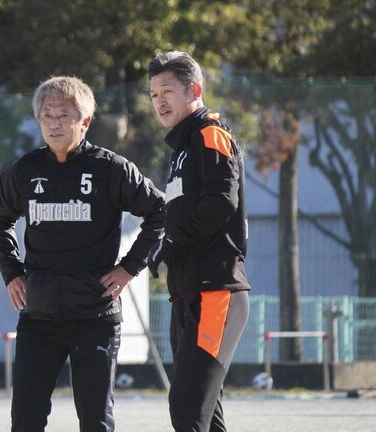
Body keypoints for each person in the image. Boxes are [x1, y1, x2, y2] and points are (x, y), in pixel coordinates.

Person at [0, 75, 166, 432]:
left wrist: (130, 267)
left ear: (85, 121)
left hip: (95, 315)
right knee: (25, 419)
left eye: (64, 115)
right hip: (39, 316)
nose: (54, 123)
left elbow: (160, 210)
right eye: (47, 115)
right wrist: (13, 273)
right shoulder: (25, 171)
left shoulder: (110, 168)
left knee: (95, 420)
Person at [146, 51, 251, 432]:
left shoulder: (210, 134)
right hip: (186, 292)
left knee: (187, 407)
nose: (159, 101)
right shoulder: (181, 149)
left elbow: (222, 201)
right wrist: (161, 243)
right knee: (204, 413)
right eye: (154, 94)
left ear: (194, 90)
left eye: (167, 91)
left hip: (215, 291)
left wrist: (171, 240)